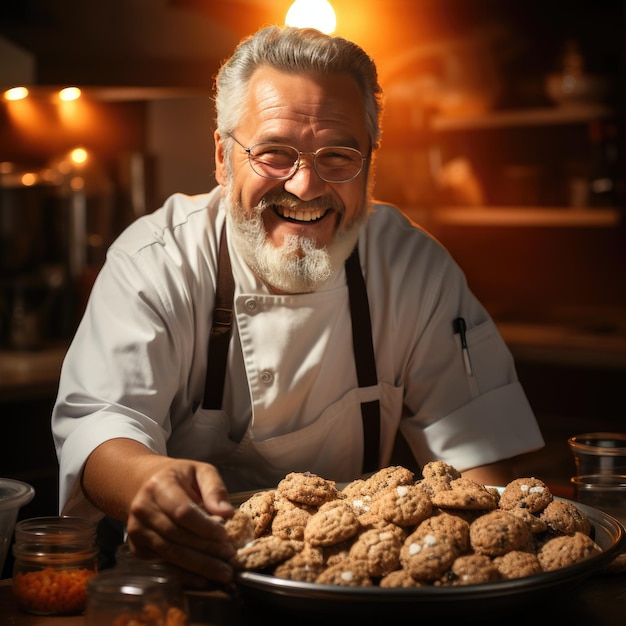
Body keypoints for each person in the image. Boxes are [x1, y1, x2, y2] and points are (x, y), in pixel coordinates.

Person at [51, 25, 544, 588]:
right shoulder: (156, 259)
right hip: (184, 584)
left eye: (338, 155)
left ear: (370, 163)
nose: (306, 186)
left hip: (357, 594)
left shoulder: (412, 267)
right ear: (222, 156)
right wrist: (150, 483)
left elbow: (480, 458)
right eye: (274, 153)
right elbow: (101, 425)